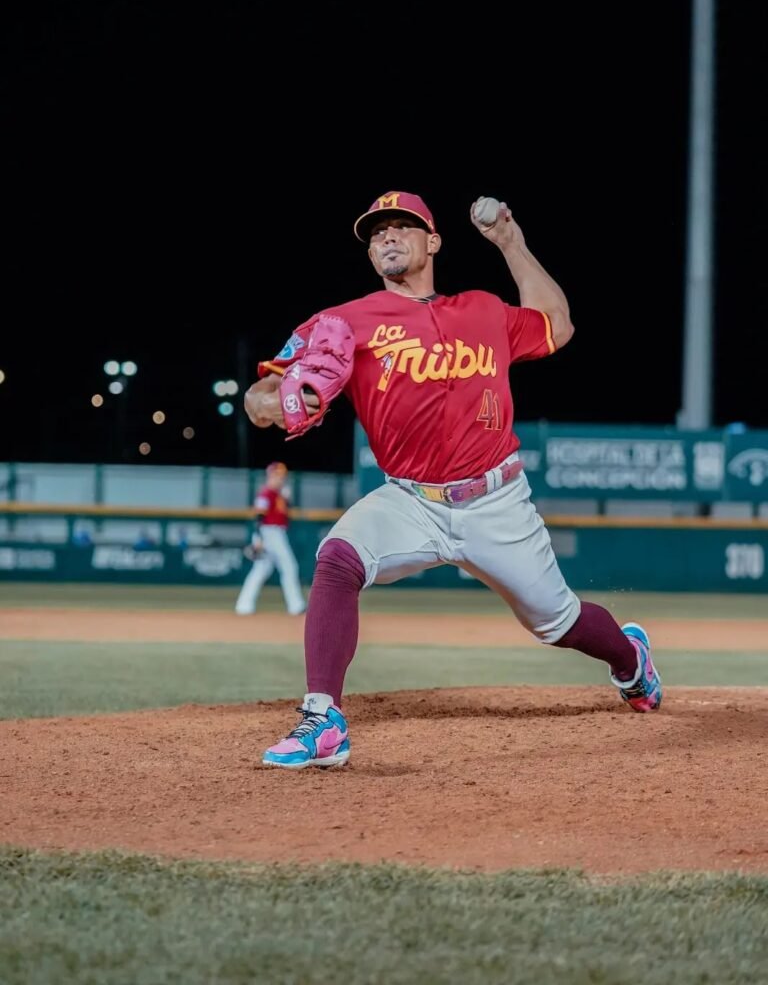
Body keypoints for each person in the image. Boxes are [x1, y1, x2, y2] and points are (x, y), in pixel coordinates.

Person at [244, 190, 662, 769]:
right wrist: (288, 397)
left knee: (559, 622)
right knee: (337, 558)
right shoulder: (343, 322)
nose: (386, 237)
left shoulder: (483, 311)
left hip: (496, 500)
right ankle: (323, 721)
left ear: (433, 241)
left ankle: (631, 661)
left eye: (402, 226)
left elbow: (557, 325)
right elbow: (260, 397)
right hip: (408, 498)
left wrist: (510, 241)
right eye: (376, 232)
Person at [234, 461, 307, 617]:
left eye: (282, 476)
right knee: (289, 566)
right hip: (268, 533)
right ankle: (296, 606)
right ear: (270, 475)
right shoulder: (266, 493)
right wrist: (258, 538)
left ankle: (243, 606)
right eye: (277, 476)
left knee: (261, 569)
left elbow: (285, 513)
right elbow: (258, 517)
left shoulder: (279, 494)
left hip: (275, 532)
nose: (280, 479)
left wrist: (286, 499)